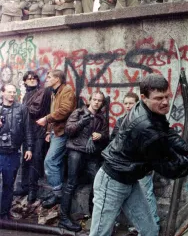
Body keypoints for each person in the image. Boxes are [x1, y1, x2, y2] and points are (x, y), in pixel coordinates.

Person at [89, 74, 188, 236]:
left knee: (150, 231)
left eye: (166, 96)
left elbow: (166, 133)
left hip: (130, 180)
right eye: (158, 98)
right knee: (100, 234)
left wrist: (186, 150)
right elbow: (169, 168)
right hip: (111, 183)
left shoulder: (151, 110)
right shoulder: (144, 126)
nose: (164, 102)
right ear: (143, 97)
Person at [58, 91, 109, 232]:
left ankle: (94, 218)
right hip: (76, 151)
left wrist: (101, 135)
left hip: (91, 154)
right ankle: (63, 218)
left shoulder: (101, 118)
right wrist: (82, 122)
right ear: (90, 100)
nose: (97, 102)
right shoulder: (79, 113)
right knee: (71, 183)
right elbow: (68, 130)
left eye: (100, 100)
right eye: (95, 99)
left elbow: (106, 136)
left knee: (97, 183)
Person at [111, 91, 160, 232]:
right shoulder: (121, 121)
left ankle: (154, 225)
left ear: (137, 104)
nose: (127, 106)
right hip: (126, 166)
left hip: (141, 165)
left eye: (130, 103)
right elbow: (113, 141)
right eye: (125, 103)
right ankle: (142, 227)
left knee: (147, 195)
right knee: (134, 197)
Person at [36, 70, 76, 209]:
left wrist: (46, 119)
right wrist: (49, 131)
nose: (46, 79)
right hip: (55, 132)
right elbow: (55, 111)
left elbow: (65, 110)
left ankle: (58, 195)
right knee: (56, 162)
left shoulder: (67, 91)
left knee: (50, 161)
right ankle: (57, 193)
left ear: (58, 79)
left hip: (63, 133)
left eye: (49, 77)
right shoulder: (55, 92)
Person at [14, 71, 52, 203]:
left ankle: (32, 190)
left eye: (34, 78)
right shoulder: (26, 95)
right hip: (27, 131)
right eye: (29, 79)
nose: (32, 80)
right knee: (25, 159)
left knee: (35, 159)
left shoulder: (42, 92)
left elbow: (36, 110)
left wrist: (21, 108)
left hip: (38, 131)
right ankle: (24, 187)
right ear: (24, 82)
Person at [0, 84, 32, 219]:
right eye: (9, 92)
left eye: (14, 92)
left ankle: (4, 214)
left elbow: (27, 129)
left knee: (8, 184)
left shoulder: (22, 108)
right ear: (2, 93)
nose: (12, 94)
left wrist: (29, 148)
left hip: (12, 152)